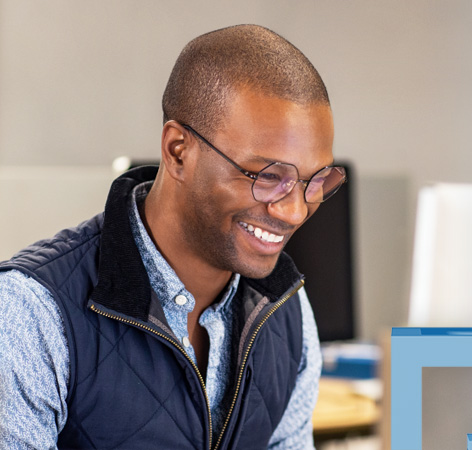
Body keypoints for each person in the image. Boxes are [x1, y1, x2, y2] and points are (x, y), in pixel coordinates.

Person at [0, 24, 346, 449]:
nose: (294, 211)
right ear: (178, 150)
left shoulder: (286, 310)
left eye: (315, 181)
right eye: (268, 176)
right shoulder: (30, 316)